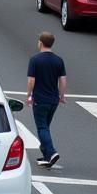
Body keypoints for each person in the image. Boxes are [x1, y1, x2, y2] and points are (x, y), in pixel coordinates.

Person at [26, 31, 67, 168]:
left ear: (41, 43)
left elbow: (31, 80)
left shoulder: (35, 59)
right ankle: (46, 155)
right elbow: (62, 80)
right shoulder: (58, 60)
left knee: (42, 127)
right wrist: (61, 96)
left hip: (40, 99)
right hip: (53, 100)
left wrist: (29, 95)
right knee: (46, 127)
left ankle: (51, 152)